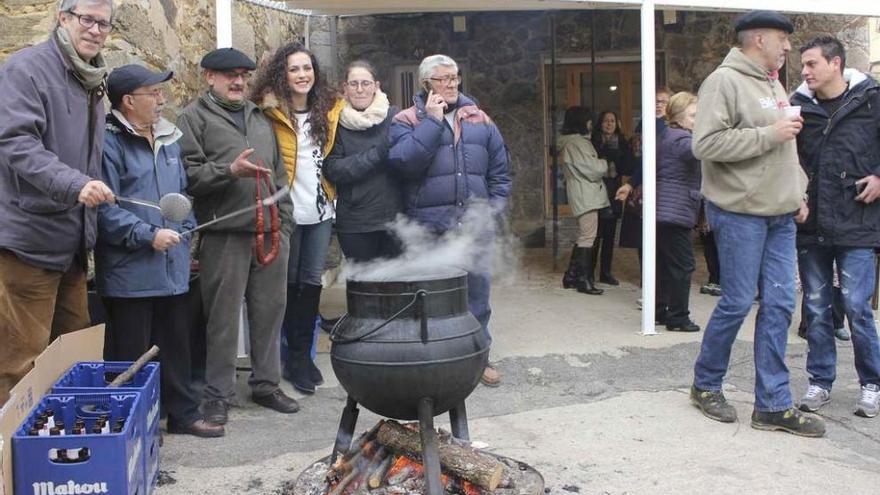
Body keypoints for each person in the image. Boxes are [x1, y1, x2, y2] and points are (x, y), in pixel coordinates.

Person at [689, 10, 825, 437]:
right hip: (740, 212)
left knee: (782, 304)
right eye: (783, 39)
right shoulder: (723, 82)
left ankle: (773, 405)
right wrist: (770, 134)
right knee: (736, 301)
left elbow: (786, 148)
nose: (788, 47)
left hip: (780, 213)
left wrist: (798, 190)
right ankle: (706, 384)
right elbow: (705, 144)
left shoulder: (772, 82)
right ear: (758, 38)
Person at [0, 0, 117, 406]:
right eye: (87, 19)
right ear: (62, 18)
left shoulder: (92, 80)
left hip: (71, 245)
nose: (96, 30)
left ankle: (71, 451)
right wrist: (76, 185)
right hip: (29, 242)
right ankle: (11, 462)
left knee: (75, 357)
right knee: (20, 363)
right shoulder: (26, 69)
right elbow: (15, 143)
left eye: (104, 23)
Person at [96, 65, 223, 437]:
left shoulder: (169, 139)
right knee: (132, 357)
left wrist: (183, 229)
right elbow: (105, 209)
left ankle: (183, 415)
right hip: (129, 272)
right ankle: (136, 426)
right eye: (153, 93)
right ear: (128, 100)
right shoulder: (109, 142)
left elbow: (182, 196)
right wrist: (147, 235)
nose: (161, 99)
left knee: (177, 347)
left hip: (172, 267)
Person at [177, 47, 299, 426]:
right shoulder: (191, 118)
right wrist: (228, 170)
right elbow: (187, 177)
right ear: (209, 77)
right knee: (223, 320)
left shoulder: (259, 118)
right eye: (228, 74)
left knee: (269, 314)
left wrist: (286, 223)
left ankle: (265, 384)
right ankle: (218, 395)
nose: (237, 81)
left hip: (271, 235)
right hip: (224, 235)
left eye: (243, 75)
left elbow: (279, 176)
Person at [388, 54, 512, 387]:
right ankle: (432, 362)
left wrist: (492, 209)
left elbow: (500, 171)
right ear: (426, 84)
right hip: (429, 227)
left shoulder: (480, 119)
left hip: (474, 228)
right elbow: (404, 163)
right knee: (430, 297)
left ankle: (477, 359)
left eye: (455, 77)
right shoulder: (405, 120)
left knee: (477, 298)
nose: (453, 83)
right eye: (444, 78)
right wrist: (431, 121)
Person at [790, 35, 880, 418]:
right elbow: (784, 158)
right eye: (803, 65)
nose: (805, 72)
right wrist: (794, 196)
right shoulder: (796, 107)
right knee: (815, 307)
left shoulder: (872, 100)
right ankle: (819, 382)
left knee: (858, 307)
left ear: (836, 63)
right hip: (811, 224)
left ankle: (872, 384)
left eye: (812, 64)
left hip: (857, 222)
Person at [251, 43, 344, 395]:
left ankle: (303, 359)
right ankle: (290, 358)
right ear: (281, 74)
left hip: (320, 209)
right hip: (286, 209)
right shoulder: (269, 112)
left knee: (311, 285)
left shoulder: (331, 109)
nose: (303, 75)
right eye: (294, 69)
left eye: (307, 68)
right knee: (287, 288)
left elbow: (368, 111)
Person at [325, 61, 402, 262]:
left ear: (376, 86)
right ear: (345, 88)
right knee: (362, 288)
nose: (360, 89)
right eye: (354, 83)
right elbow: (333, 169)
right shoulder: (335, 123)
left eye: (366, 83)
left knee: (396, 288)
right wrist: (377, 154)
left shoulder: (394, 117)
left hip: (394, 218)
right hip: (355, 223)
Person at [655, 92, 701, 332]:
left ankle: (661, 310)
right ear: (680, 117)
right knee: (684, 265)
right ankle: (678, 316)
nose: (697, 119)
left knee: (665, 264)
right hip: (675, 210)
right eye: (693, 115)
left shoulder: (667, 136)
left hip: (664, 209)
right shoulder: (682, 138)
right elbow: (700, 151)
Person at [557, 106, 608, 295]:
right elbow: (593, 169)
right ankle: (583, 280)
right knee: (588, 236)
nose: (591, 123)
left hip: (582, 191)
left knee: (586, 235)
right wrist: (604, 163)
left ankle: (572, 276)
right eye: (588, 119)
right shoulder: (577, 143)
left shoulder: (571, 142)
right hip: (586, 193)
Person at [591, 110, 633, 286]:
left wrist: (619, 155)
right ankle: (588, 273)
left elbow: (626, 168)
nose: (609, 124)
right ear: (600, 123)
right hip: (596, 190)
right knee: (595, 235)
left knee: (609, 236)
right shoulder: (594, 141)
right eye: (606, 121)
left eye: (612, 121)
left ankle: (605, 272)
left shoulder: (622, 141)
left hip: (614, 190)